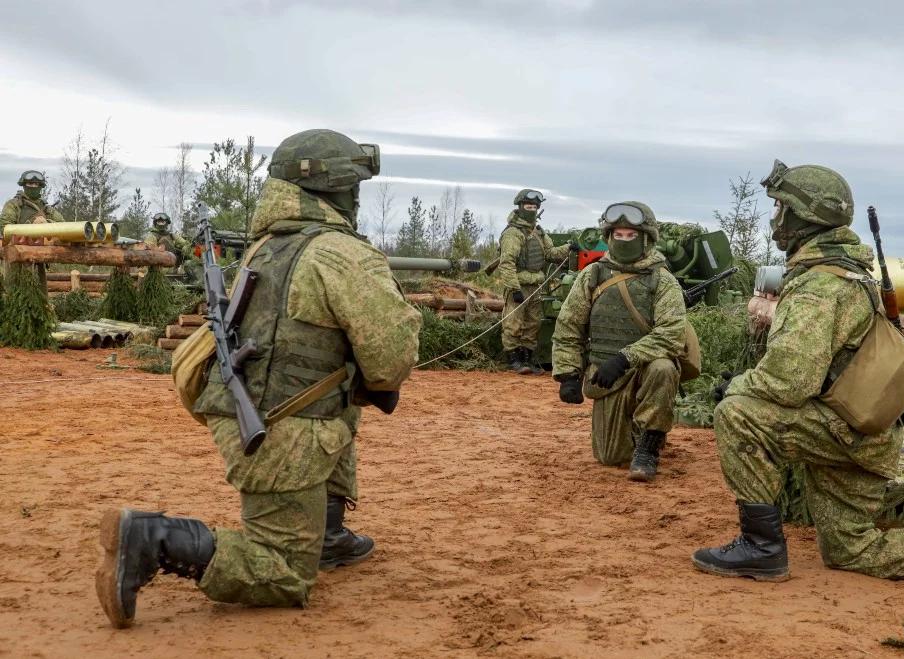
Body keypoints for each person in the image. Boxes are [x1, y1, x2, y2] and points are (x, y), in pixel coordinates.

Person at [95, 129, 423, 628]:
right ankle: (154, 540)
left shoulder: (269, 244)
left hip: (249, 407)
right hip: (281, 432)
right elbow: (390, 359)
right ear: (337, 187)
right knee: (284, 573)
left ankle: (326, 532)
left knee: (342, 404)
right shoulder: (339, 252)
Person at [692, 161, 904, 600]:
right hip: (865, 431)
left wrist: (736, 386)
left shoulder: (817, 287)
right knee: (852, 549)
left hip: (843, 431)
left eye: (779, 209)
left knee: (738, 413)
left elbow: (789, 381)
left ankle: (761, 548)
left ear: (801, 218)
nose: (774, 219)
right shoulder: (848, 273)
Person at [552, 202, 685, 482]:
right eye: (619, 235)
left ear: (646, 238)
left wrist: (626, 358)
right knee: (611, 457)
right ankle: (637, 431)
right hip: (605, 375)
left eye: (631, 235)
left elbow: (672, 333)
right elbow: (569, 325)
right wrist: (568, 374)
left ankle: (650, 442)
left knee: (663, 368)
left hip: (643, 369)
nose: (624, 241)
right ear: (609, 236)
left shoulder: (662, 279)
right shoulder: (593, 274)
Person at [495, 189, 573, 374]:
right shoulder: (513, 233)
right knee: (513, 324)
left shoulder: (538, 232)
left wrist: (569, 247)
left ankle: (527, 362)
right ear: (520, 207)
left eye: (534, 207)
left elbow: (550, 254)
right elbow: (506, 263)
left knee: (533, 324)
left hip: (536, 286)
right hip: (519, 285)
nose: (531, 209)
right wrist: (514, 288)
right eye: (528, 206)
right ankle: (513, 362)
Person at [0, 170, 65, 285]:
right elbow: (5, 228)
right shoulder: (13, 204)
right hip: (17, 257)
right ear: (24, 185)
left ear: (41, 186)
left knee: (39, 294)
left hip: (39, 258)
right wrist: (31, 225)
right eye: (30, 184)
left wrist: (47, 223)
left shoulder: (46, 208)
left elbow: (63, 226)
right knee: (14, 292)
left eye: (36, 184)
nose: (33, 186)